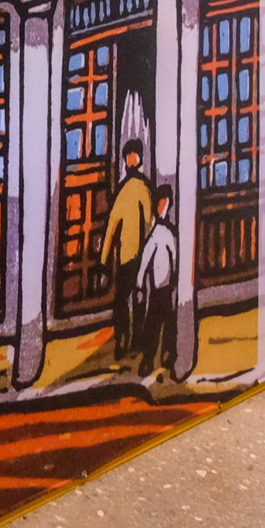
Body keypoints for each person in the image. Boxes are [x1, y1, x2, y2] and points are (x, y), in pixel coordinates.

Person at [98, 140, 154, 363]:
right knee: (127, 299)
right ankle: (126, 338)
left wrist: (104, 259)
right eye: (128, 156)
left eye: (133, 156)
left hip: (137, 255)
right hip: (128, 256)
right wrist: (104, 258)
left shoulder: (140, 188)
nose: (131, 160)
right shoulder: (128, 189)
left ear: (138, 159)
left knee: (132, 298)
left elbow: (148, 222)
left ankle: (131, 338)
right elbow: (113, 225)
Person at [134, 188, 180, 380]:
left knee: (168, 321)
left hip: (167, 287)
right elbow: (145, 259)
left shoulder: (169, 233)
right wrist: (139, 282)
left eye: (166, 205)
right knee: (153, 322)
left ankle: (167, 353)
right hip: (157, 288)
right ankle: (149, 358)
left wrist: (175, 278)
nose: (163, 208)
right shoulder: (155, 234)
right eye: (161, 204)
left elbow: (174, 257)